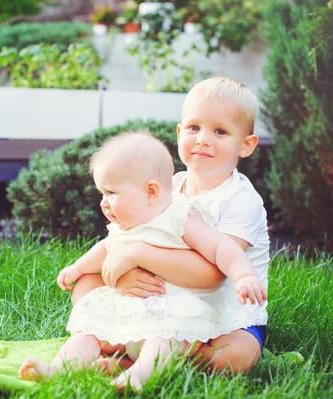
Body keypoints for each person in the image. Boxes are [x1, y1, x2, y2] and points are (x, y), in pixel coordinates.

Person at [18, 132, 267, 391]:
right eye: (102, 193)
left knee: (165, 339)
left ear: (150, 191)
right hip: (129, 312)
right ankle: (60, 369)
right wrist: (78, 268)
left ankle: (140, 374)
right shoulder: (126, 225)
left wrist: (243, 274)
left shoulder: (179, 218)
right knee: (87, 332)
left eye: (111, 193)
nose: (104, 203)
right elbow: (106, 248)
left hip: (173, 312)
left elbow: (220, 248)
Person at [71, 76, 271, 375]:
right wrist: (123, 279)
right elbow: (122, 241)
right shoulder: (166, 188)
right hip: (166, 299)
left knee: (234, 356)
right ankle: (135, 348)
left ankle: (134, 354)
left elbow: (213, 275)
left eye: (220, 131)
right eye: (193, 127)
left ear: (246, 145)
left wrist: (138, 254)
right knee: (86, 282)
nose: (203, 138)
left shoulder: (241, 201)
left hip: (223, 312)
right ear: (179, 133)